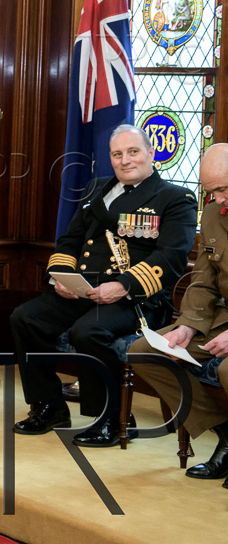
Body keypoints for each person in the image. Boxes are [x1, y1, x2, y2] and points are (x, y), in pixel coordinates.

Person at [10, 124, 197, 446]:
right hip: (84, 291)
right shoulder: (97, 188)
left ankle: (111, 417)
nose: (125, 160)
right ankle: (49, 407)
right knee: (25, 318)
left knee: (88, 331)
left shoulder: (175, 197)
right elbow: (70, 240)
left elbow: (172, 257)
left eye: (133, 151)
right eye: (117, 154)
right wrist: (62, 277)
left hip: (135, 299)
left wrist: (123, 286)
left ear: (151, 154)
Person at [129, 143, 228, 481]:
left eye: (223, 189)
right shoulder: (213, 214)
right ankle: (223, 432)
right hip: (220, 320)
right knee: (145, 351)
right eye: (211, 191)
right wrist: (188, 326)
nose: (217, 199)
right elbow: (204, 280)